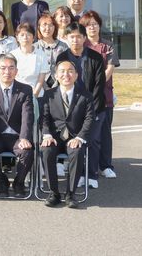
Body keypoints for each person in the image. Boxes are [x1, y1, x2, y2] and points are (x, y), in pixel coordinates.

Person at [53, 24, 106, 189]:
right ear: (66, 38)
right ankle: (78, 173)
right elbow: (60, 83)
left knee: (92, 141)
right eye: (71, 37)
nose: (75, 40)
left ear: (84, 38)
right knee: (74, 142)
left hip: (94, 107)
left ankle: (91, 175)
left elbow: (99, 85)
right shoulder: (62, 57)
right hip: (70, 110)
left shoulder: (95, 57)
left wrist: (91, 110)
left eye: (78, 36)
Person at [41, 60, 94, 209]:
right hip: (55, 137)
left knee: (76, 152)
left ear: (76, 75)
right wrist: (47, 135)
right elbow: (44, 118)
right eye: (62, 71)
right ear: (56, 75)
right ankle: (54, 193)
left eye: (70, 71)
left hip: (75, 137)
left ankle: (71, 194)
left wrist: (79, 138)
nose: (66, 74)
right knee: (46, 150)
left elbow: (89, 119)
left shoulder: (86, 95)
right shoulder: (49, 94)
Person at [0, 53, 35, 197]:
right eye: (3, 68)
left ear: (16, 71)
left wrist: (24, 138)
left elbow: (28, 116)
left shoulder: (25, 89)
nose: (7, 72)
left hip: (17, 136)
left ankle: (19, 183)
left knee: (27, 152)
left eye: (11, 68)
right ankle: (2, 181)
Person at [80, 11, 119, 179]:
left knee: (104, 132)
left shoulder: (108, 45)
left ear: (99, 26)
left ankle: (105, 165)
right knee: (84, 132)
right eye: (88, 25)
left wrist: (96, 84)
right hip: (83, 95)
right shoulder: (81, 45)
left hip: (104, 95)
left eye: (95, 24)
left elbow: (110, 68)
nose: (92, 27)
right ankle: (85, 166)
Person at [10, 23, 47, 118]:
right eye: (22, 35)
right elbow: (11, 77)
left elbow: (41, 79)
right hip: (18, 96)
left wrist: (34, 95)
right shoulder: (12, 55)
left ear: (33, 37)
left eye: (28, 34)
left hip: (37, 95)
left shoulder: (41, 54)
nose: (25, 37)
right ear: (17, 37)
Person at [34, 12, 68, 89]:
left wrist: (57, 84)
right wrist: (43, 86)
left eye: (50, 25)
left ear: (55, 27)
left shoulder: (63, 46)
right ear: (39, 28)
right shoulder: (34, 47)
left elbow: (67, 66)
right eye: (44, 25)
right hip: (39, 87)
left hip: (60, 86)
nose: (47, 28)